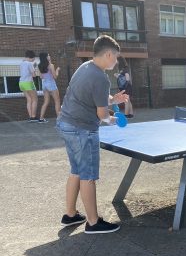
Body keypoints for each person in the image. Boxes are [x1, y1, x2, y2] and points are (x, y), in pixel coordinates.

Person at [56, 35, 129, 234]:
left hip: (66, 124)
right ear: (108, 54)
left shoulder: (86, 67)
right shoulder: (100, 77)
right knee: (87, 176)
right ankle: (93, 222)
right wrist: (116, 120)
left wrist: (113, 99)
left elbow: (95, 96)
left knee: (76, 171)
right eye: (115, 57)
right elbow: (103, 115)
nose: (116, 62)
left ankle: (70, 215)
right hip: (82, 130)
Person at [38, 52, 61, 123]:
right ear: (45, 57)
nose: (49, 56)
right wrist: (57, 70)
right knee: (57, 101)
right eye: (48, 55)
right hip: (51, 84)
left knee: (46, 101)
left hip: (44, 85)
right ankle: (59, 120)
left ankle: (41, 119)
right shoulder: (51, 66)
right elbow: (55, 77)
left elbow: (41, 77)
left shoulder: (39, 66)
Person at [19, 50, 38, 122]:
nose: (34, 59)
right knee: (35, 99)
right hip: (28, 83)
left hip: (21, 83)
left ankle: (30, 117)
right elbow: (34, 75)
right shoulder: (29, 64)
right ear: (31, 57)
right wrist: (34, 70)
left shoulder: (22, 63)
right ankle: (33, 117)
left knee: (29, 99)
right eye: (34, 58)